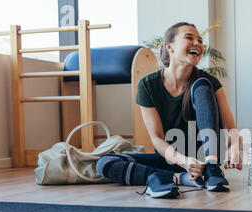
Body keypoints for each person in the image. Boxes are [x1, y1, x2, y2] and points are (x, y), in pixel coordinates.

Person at [96, 22, 242, 198]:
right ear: (169, 46)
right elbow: (157, 138)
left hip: (205, 158)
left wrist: (233, 148)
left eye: (200, 40)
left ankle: (211, 168)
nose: (198, 43)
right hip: (173, 159)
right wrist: (183, 161)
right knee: (105, 162)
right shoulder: (147, 85)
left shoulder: (209, 82)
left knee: (202, 85)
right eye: (189, 37)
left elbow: (231, 128)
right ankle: (178, 178)